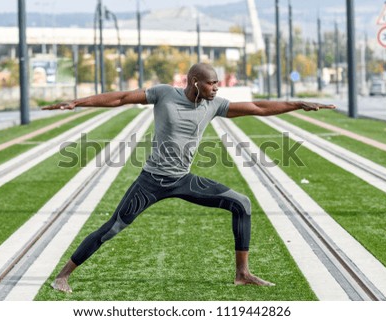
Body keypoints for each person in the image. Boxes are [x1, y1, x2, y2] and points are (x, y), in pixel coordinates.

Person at [43, 63, 335, 293]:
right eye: (211, 82)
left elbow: (258, 107)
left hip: (182, 180)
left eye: (218, 82)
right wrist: (77, 102)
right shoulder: (163, 93)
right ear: (195, 81)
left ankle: (242, 274)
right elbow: (120, 97)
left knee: (241, 203)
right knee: (112, 228)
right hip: (151, 182)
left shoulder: (214, 105)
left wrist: (297, 103)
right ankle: (62, 276)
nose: (216, 88)